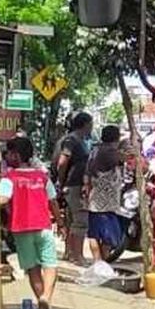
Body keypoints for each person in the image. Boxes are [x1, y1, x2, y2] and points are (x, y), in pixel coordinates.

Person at [1, 136, 62, 309]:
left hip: (21, 229)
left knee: (33, 268)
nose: (6, 156)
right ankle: (46, 298)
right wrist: (60, 223)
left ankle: (41, 301)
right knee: (50, 264)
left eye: (9, 153)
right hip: (43, 226)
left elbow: (3, 199)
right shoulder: (42, 177)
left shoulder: (9, 178)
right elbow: (53, 202)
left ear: (16, 155)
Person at [55, 112, 94, 265]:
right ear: (85, 124)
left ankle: (69, 253)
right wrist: (61, 180)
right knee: (80, 221)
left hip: (73, 184)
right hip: (75, 185)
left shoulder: (76, 140)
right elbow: (62, 162)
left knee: (71, 220)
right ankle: (78, 256)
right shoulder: (72, 140)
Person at [85, 125, 126, 262]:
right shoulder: (109, 152)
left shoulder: (95, 150)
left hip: (95, 199)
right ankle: (102, 261)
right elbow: (123, 160)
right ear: (116, 138)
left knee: (95, 233)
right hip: (106, 202)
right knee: (108, 236)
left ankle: (98, 262)